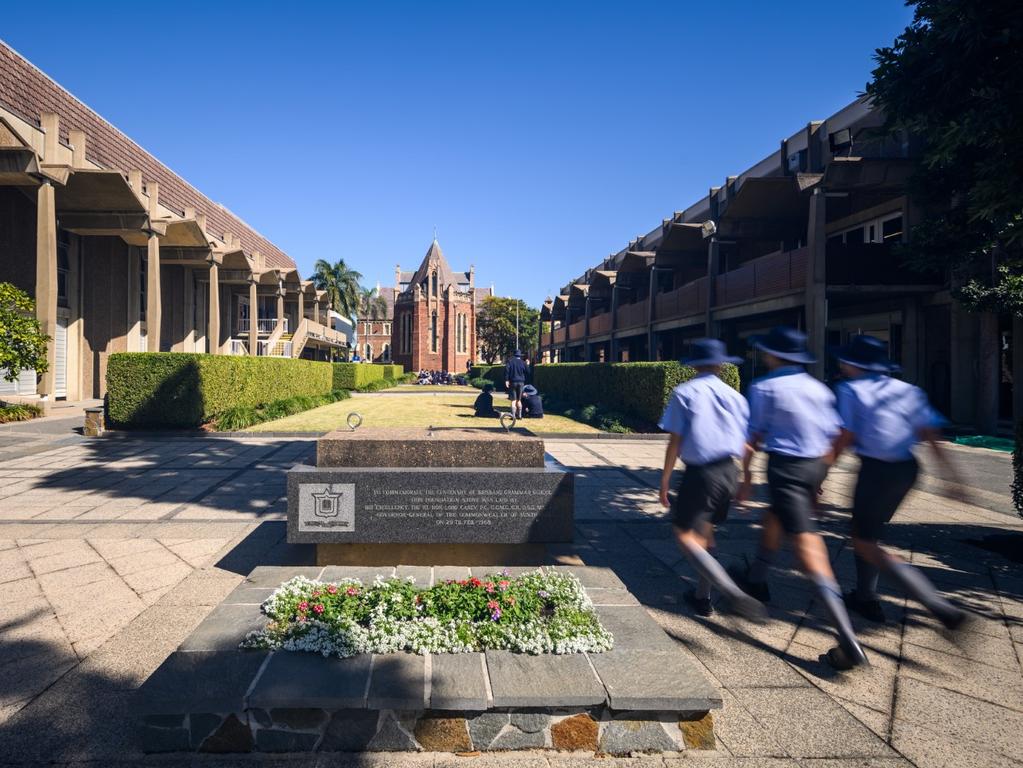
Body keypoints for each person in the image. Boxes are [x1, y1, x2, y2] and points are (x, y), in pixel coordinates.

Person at [733, 326, 868, 670]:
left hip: (786, 469)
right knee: (774, 517)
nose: (763, 356)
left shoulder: (765, 386)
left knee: (810, 549)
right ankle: (758, 578)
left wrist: (746, 478)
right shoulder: (818, 387)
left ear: (776, 355)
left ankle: (847, 639)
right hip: (814, 465)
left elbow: (753, 439)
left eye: (766, 351)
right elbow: (837, 435)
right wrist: (820, 474)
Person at [829, 335, 967, 629]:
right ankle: (865, 596)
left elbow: (845, 436)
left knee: (865, 542)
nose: (840, 363)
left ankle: (936, 604)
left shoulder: (851, 390)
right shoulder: (909, 390)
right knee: (866, 532)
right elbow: (931, 434)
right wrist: (952, 478)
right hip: (907, 469)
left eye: (844, 359)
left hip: (876, 470)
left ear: (854, 364)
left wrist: (822, 471)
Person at [658, 339, 766, 621]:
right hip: (728, 470)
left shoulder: (685, 393)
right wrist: (746, 478)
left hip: (701, 473)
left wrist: (665, 480)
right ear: (720, 364)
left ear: (693, 365)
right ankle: (702, 598)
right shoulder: (736, 397)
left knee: (684, 534)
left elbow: (675, 441)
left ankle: (732, 592)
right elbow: (748, 445)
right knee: (706, 532)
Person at [505, 350, 528, 419]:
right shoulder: (523, 363)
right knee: (519, 399)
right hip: (521, 382)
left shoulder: (510, 362)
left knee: (513, 400)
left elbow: (507, 371)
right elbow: (528, 371)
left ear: (514, 355)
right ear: (520, 356)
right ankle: (520, 415)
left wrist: (506, 380)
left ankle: (513, 415)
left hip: (513, 382)